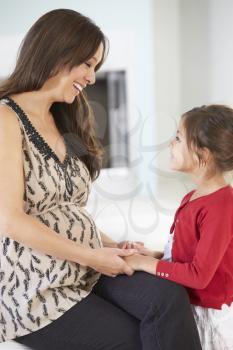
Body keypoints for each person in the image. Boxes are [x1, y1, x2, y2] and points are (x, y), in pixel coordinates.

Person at [0, 9, 201, 350]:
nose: (92, 78)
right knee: (134, 338)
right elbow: (10, 219)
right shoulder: (6, 119)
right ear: (58, 52)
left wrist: (110, 245)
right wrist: (93, 256)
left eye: (96, 68)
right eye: (88, 64)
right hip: (37, 288)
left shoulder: (64, 119)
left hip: (86, 266)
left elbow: (67, 211)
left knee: (168, 298)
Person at [126, 105, 233, 349]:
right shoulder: (193, 196)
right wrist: (152, 255)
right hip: (186, 304)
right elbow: (186, 253)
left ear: (202, 155)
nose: (170, 144)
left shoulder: (221, 207)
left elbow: (199, 275)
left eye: (177, 138)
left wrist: (145, 264)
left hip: (209, 316)